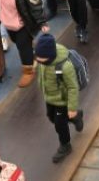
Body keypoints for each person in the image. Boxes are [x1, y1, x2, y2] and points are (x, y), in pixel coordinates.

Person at [34, 34, 84, 163]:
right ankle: (76, 116)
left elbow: (73, 87)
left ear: (50, 56)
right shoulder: (43, 61)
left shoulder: (64, 66)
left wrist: (71, 107)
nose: (38, 60)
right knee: (51, 117)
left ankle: (65, 145)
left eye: (41, 58)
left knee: (59, 124)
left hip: (62, 100)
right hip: (49, 97)